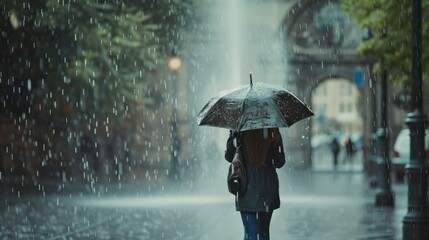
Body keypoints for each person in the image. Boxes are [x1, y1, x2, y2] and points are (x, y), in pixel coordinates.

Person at [225, 128, 285, 240]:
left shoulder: (240, 129)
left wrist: (233, 136)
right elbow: (280, 162)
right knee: (263, 233)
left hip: (246, 189)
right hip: (267, 190)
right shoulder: (272, 129)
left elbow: (229, 157)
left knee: (250, 234)